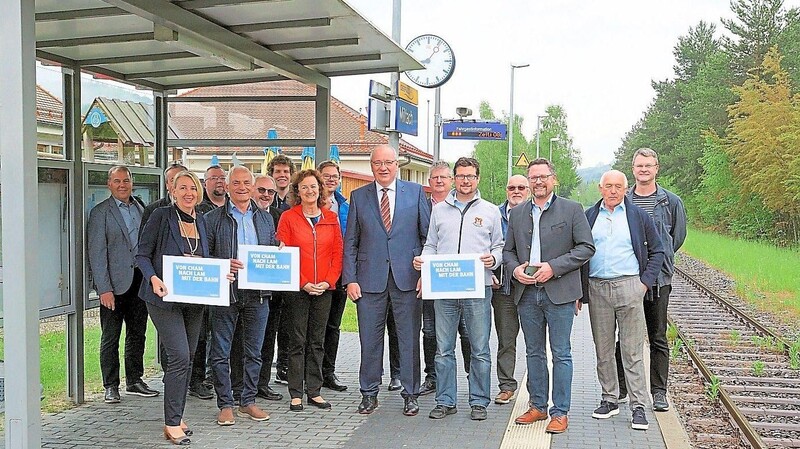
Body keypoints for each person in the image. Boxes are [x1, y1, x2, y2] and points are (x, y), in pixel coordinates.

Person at [504, 158, 595, 434]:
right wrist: (515, 269)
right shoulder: (518, 213)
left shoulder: (571, 209)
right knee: (533, 352)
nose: (538, 182)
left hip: (559, 294)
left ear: (553, 179)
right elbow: (507, 251)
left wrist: (553, 268)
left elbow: (586, 248)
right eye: (533, 178)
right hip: (527, 293)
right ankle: (538, 406)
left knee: (561, 353)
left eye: (543, 177)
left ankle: (560, 412)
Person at [413, 157, 503, 421]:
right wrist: (423, 261)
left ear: (478, 179)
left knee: (479, 347)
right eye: (461, 175)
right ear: (454, 178)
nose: (466, 180)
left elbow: (499, 246)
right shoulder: (440, 210)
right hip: (445, 289)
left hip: (478, 288)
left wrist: (494, 260)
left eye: (471, 176)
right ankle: (445, 400)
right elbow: (431, 244)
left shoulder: (490, 211)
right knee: (443, 348)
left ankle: (478, 401)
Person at [343, 144, 430, 416]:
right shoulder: (358, 196)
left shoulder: (416, 193)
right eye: (378, 162)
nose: (383, 167)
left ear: (397, 165)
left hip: (408, 280)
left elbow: (429, 239)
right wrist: (350, 280)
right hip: (369, 282)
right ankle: (369, 393)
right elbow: (351, 243)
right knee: (369, 340)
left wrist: (424, 276)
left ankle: (411, 394)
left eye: (388, 162)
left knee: (408, 340)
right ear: (372, 166)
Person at [136, 170, 217, 445]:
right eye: (182, 188)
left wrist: (223, 272)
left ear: (199, 192)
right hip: (163, 297)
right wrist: (154, 278)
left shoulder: (202, 220)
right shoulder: (161, 216)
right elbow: (142, 254)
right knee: (180, 356)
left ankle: (178, 415)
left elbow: (207, 260)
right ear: (173, 191)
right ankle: (171, 424)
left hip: (194, 300)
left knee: (189, 357)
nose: (188, 193)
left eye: (192, 188)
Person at [583, 170, 665, 431]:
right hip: (597, 287)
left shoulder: (638, 216)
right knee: (603, 349)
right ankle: (609, 399)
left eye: (618, 186)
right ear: (600, 188)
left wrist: (644, 283)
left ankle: (638, 406)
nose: (614, 191)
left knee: (632, 350)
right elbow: (578, 252)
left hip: (629, 286)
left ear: (626, 189)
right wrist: (580, 292)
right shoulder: (589, 216)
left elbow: (658, 250)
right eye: (609, 186)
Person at [615, 148, 687, 412]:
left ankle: (658, 391)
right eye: (639, 166)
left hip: (658, 280)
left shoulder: (671, 202)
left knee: (657, 336)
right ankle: (621, 388)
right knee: (624, 335)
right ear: (632, 169)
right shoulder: (623, 200)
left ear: (657, 168)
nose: (644, 170)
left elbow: (676, 238)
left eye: (649, 165)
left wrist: (658, 262)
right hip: (628, 278)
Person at [205, 166, 277, 426]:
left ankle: (247, 401)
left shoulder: (266, 218)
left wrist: (278, 256)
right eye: (236, 182)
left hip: (258, 294)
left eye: (247, 182)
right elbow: (205, 256)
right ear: (228, 185)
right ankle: (225, 404)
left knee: (254, 351)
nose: (242, 187)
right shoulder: (213, 219)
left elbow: (270, 252)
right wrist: (225, 263)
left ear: (253, 185)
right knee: (221, 351)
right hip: (227, 292)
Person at [87, 165, 159, 405]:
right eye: (117, 181)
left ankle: (135, 380)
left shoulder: (140, 207)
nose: (122, 185)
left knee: (138, 333)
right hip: (114, 285)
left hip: (140, 280)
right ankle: (110, 385)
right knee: (110, 336)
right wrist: (103, 289)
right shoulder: (100, 213)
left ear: (132, 182)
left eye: (126, 181)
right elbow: (97, 254)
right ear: (109, 184)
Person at [277, 169, 343, 411]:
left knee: (317, 341)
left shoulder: (331, 218)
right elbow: (285, 255)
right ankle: (295, 392)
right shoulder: (289, 218)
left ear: (320, 190)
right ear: (297, 191)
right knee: (297, 340)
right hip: (298, 289)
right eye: (304, 187)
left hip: (324, 289)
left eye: (313, 186)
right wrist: (303, 281)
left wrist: (327, 281)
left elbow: (338, 254)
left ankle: (314, 391)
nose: (309, 191)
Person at [419, 161, 472, 397]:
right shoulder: (419, 206)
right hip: (432, 280)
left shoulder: (465, 206)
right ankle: (432, 377)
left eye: (443, 177)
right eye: (434, 178)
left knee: (467, 332)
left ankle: (473, 377)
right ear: (429, 183)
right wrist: (421, 273)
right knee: (430, 331)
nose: (439, 181)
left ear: (451, 181)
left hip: (463, 281)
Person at [189, 164, 228, 400]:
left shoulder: (232, 210)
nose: (219, 182)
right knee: (200, 333)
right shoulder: (199, 210)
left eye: (222, 178)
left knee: (219, 334)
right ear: (205, 183)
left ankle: (215, 374)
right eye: (214, 178)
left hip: (227, 282)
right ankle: (196, 379)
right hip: (204, 282)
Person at [492, 174, 528, 405]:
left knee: (536, 343)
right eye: (512, 187)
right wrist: (489, 274)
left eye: (521, 187)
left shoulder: (537, 214)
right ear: (506, 191)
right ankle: (506, 386)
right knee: (506, 340)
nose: (516, 191)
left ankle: (537, 388)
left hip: (532, 288)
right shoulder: (493, 215)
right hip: (503, 289)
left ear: (529, 190)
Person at [251, 174, 285, 401]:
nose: (265, 195)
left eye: (270, 192)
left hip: (271, 291)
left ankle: (261, 383)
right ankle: (243, 386)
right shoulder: (243, 215)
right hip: (242, 290)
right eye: (261, 190)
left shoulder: (278, 216)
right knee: (243, 341)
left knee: (267, 338)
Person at [318, 161, 350, 392]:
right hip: (316, 273)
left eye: (334, 176)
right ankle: (312, 373)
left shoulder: (346, 205)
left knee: (333, 326)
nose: (330, 179)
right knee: (315, 327)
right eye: (326, 176)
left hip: (340, 273)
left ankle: (329, 372)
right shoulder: (310, 206)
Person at [140, 162, 188, 235]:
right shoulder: (152, 210)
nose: (177, 183)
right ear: (167, 185)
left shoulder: (199, 209)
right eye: (172, 180)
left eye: (181, 179)